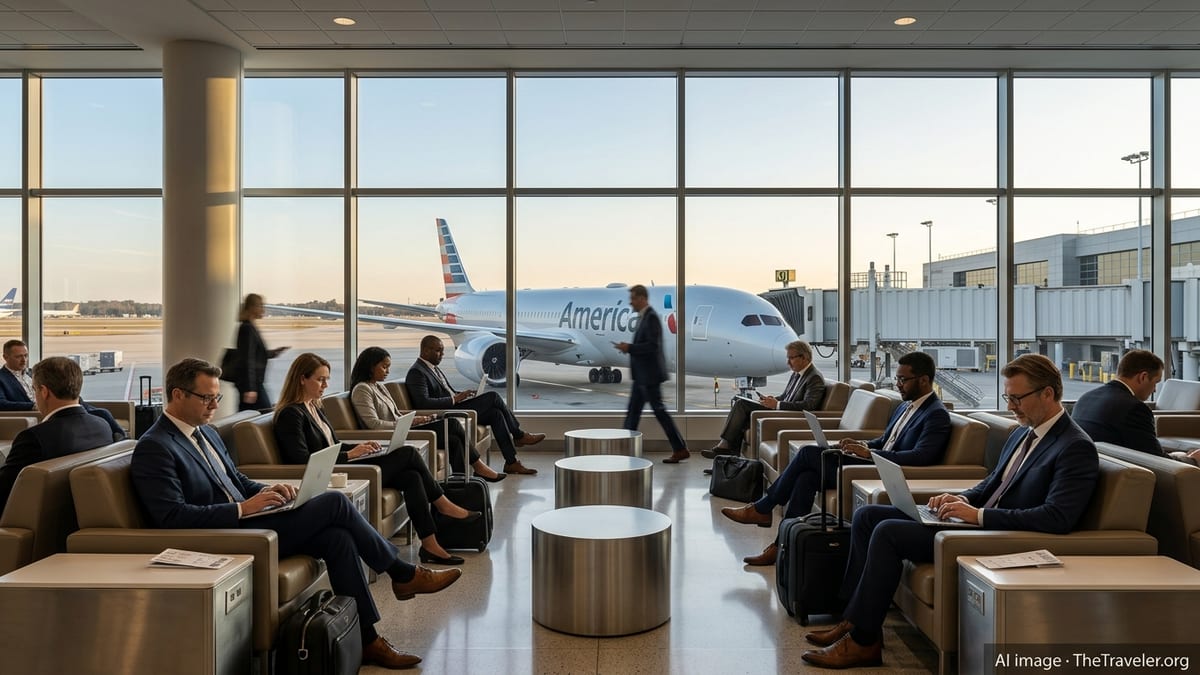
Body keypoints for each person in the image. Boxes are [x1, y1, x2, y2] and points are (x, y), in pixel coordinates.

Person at [131, 357, 461, 669]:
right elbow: (172, 517)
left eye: (217, 398)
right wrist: (241, 508)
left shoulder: (207, 433)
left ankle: (367, 640)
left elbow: (236, 479)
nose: (215, 406)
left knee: (338, 538)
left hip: (248, 522)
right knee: (334, 503)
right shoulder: (156, 446)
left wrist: (265, 490)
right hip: (224, 537)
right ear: (178, 395)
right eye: (207, 399)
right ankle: (402, 574)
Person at [801, 354, 1099, 669]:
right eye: (1007, 397)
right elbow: (991, 485)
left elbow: (1057, 518)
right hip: (978, 523)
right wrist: (958, 498)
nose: (1011, 405)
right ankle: (852, 617)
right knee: (869, 516)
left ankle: (864, 642)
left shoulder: (1074, 447)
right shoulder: (1022, 433)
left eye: (1016, 398)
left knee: (888, 532)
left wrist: (978, 516)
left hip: (1004, 536)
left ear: (1048, 394)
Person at [724, 351, 950, 567]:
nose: (899, 384)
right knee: (807, 478)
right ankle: (783, 545)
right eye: (898, 379)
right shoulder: (904, 407)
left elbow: (921, 457)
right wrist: (861, 445)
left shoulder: (936, 414)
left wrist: (869, 454)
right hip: (870, 461)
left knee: (807, 453)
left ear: (923, 380)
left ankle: (763, 508)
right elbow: (885, 440)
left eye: (903, 380)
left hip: (879, 471)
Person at [275, 352, 482, 566]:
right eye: (320, 379)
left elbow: (332, 445)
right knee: (409, 454)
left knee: (411, 477)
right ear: (302, 379)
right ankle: (443, 505)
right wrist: (349, 454)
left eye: (327, 379)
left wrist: (358, 447)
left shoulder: (315, 408)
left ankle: (430, 544)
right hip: (331, 472)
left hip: (341, 463)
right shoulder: (291, 415)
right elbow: (302, 460)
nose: (326, 385)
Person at [350, 346, 504, 482]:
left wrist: (415, 419)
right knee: (452, 423)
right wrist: (408, 423)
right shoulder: (362, 389)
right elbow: (373, 425)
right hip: (392, 434)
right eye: (384, 367)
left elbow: (396, 413)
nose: (387, 371)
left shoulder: (378, 386)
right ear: (370, 366)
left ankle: (461, 484)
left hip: (402, 428)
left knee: (454, 441)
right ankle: (478, 466)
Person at [406, 335, 544, 476]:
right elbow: (423, 403)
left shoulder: (432, 368)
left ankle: (511, 462)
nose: (442, 355)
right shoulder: (417, 372)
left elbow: (445, 392)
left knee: (495, 414)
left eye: (442, 351)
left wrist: (461, 395)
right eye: (438, 351)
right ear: (425, 350)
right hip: (446, 412)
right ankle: (519, 435)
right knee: (493, 397)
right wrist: (454, 399)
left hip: (454, 405)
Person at [0, 356, 115, 514]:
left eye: (35, 390)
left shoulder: (33, 438)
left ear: (45, 392)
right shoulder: (102, 425)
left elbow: (4, 492)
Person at [702, 340, 827, 459]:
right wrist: (771, 400)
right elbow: (785, 396)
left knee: (742, 405)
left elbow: (809, 406)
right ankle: (729, 459)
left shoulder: (814, 377)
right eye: (787, 358)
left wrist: (777, 405)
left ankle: (725, 448)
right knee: (743, 413)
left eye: (791, 358)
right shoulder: (797, 373)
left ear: (804, 357)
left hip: (789, 416)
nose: (788, 363)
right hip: (782, 410)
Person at [615, 284, 690, 464]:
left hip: (649, 376)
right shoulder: (645, 317)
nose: (630, 302)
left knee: (658, 413)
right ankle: (625, 451)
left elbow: (652, 346)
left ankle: (680, 448)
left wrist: (629, 348)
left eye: (633, 298)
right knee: (633, 415)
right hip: (642, 375)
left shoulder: (652, 318)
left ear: (642, 298)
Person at [0, 339, 126, 441]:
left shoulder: (33, 372)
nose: (24, 360)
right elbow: (2, 404)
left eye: (26, 356)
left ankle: (120, 439)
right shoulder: (2, 378)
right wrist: (32, 406)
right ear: (5, 357)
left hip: (56, 404)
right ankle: (120, 439)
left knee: (102, 411)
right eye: (18, 357)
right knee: (101, 414)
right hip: (38, 410)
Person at [1071, 349, 1180, 457]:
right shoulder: (1134, 408)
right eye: (1155, 382)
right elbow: (1155, 459)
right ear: (1143, 377)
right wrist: (1190, 460)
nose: (1154, 390)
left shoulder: (1085, 398)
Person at [233, 294, 289, 412]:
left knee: (246, 415)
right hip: (253, 384)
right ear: (252, 308)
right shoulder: (247, 328)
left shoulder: (249, 327)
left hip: (254, 383)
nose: (263, 310)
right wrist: (250, 388)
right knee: (266, 413)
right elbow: (247, 359)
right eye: (260, 306)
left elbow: (254, 354)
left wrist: (274, 353)